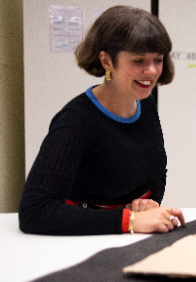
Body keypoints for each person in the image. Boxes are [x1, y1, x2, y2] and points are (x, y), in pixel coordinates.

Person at [19, 5, 185, 235]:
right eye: (138, 61)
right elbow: (35, 212)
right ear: (107, 61)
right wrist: (130, 221)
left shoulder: (144, 102)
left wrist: (148, 203)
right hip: (77, 239)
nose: (151, 71)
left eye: (158, 60)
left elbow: (157, 171)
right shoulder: (77, 121)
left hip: (124, 237)